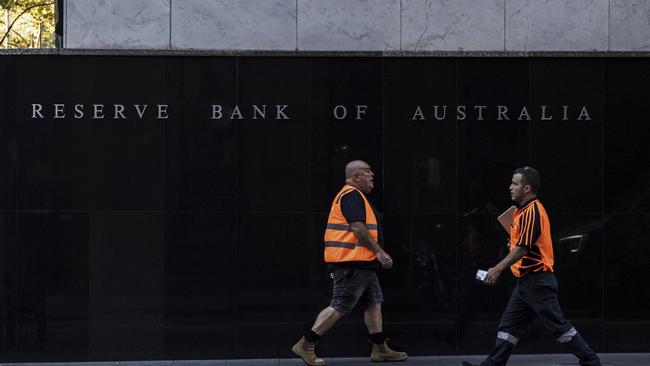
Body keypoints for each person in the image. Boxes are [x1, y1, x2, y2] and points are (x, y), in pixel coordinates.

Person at [463, 167, 601, 366]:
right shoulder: (522, 212)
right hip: (527, 282)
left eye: (515, 184)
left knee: (560, 328)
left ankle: (591, 360)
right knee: (508, 327)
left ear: (527, 188)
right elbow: (519, 244)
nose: (510, 187)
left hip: (537, 282)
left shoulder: (532, 211)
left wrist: (497, 268)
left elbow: (522, 249)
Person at [291, 160, 407, 366]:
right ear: (355, 177)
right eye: (367, 172)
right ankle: (306, 343)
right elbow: (358, 229)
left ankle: (379, 349)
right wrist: (379, 252)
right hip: (352, 263)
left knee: (374, 303)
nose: (372, 175)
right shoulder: (352, 195)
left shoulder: (355, 195)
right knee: (340, 306)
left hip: (362, 263)